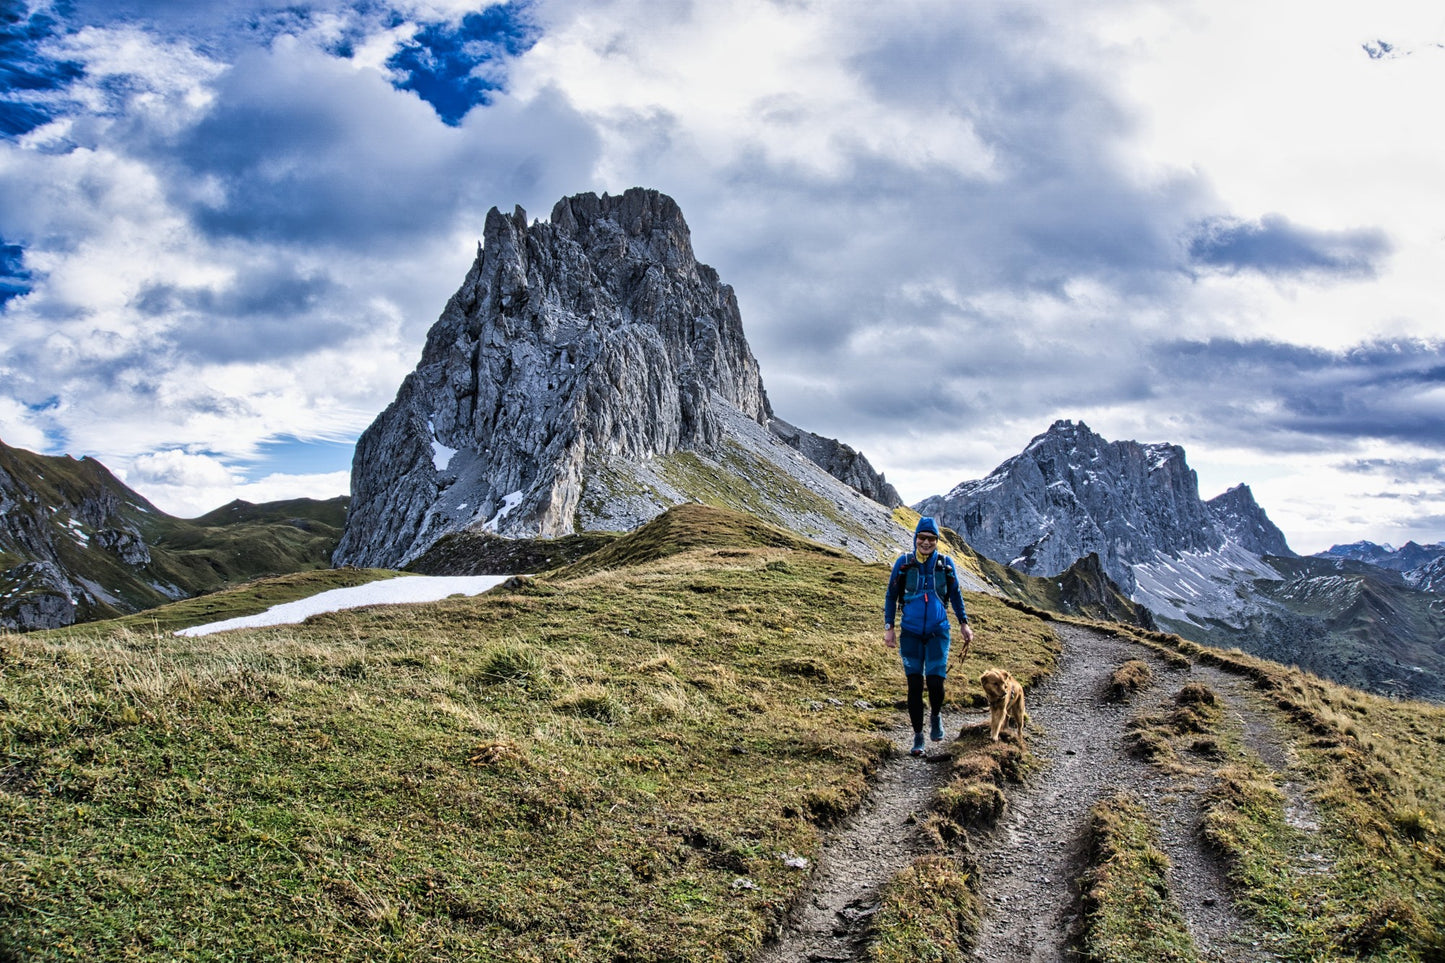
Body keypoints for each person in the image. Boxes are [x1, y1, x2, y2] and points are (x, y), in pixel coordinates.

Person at [883, 516, 974, 756]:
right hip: (910, 633)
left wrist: (964, 624)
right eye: (922, 538)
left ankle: (935, 715)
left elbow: (955, 595)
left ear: (937, 541)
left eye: (931, 539)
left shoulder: (945, 565)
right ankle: (918, 737)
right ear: (916, 538)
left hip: (938, 632)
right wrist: (889, 627)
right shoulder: (903, 563)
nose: (926, 542)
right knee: (914, 686)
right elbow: (891, 595)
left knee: (935, 682)